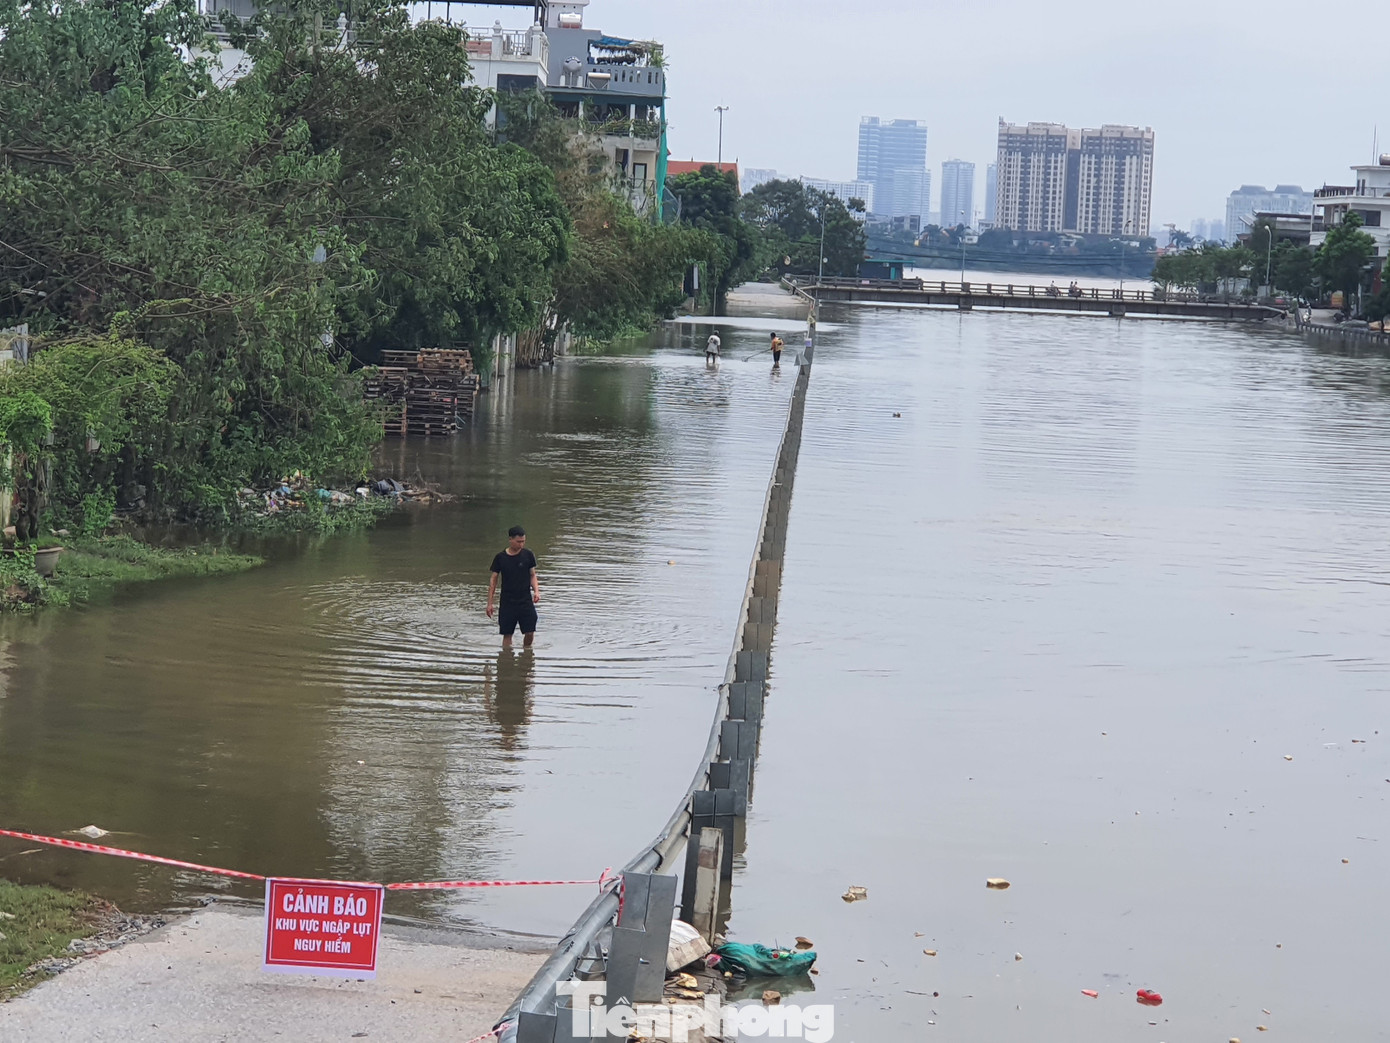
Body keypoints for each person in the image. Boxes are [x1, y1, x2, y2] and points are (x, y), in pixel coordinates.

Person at [487, 525, 540, 649]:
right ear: (510, 539)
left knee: (530, 631)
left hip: (525, 600)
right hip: (507, 601)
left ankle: (527, 653)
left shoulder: (528, 555)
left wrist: (536, 591)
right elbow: (493, 580)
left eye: (523, 541)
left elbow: (532, 575)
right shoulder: (500, 558)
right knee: (507, 634)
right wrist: (490, 603)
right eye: (518, 541)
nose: (521, 544)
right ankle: (506, 656)